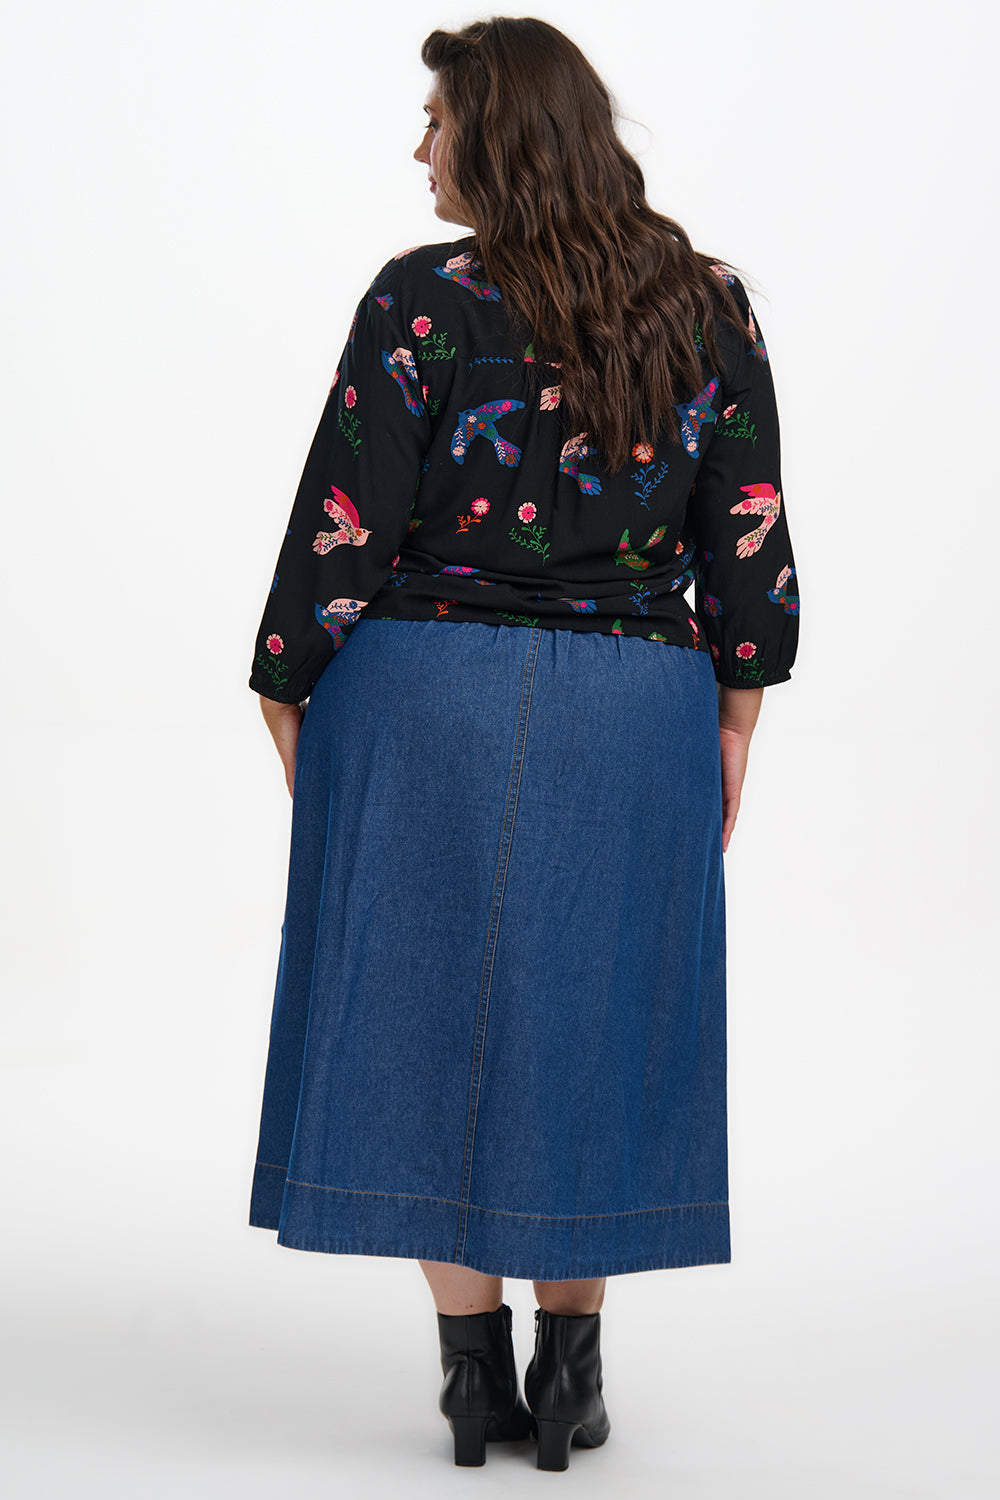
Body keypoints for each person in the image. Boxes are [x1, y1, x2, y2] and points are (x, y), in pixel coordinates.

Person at [247, 16, 799, 1472]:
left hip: (422, 691)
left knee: (424, 1022)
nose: (418, 146)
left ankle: (467, 1376)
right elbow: (748, 539)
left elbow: (343, 519)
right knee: (595, 1020)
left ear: (493, 135)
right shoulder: (711, 302)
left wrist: (285, 679)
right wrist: (733, 714)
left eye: (433, 120)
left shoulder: (423, 301)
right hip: (637, 703)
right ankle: (575, 1366)